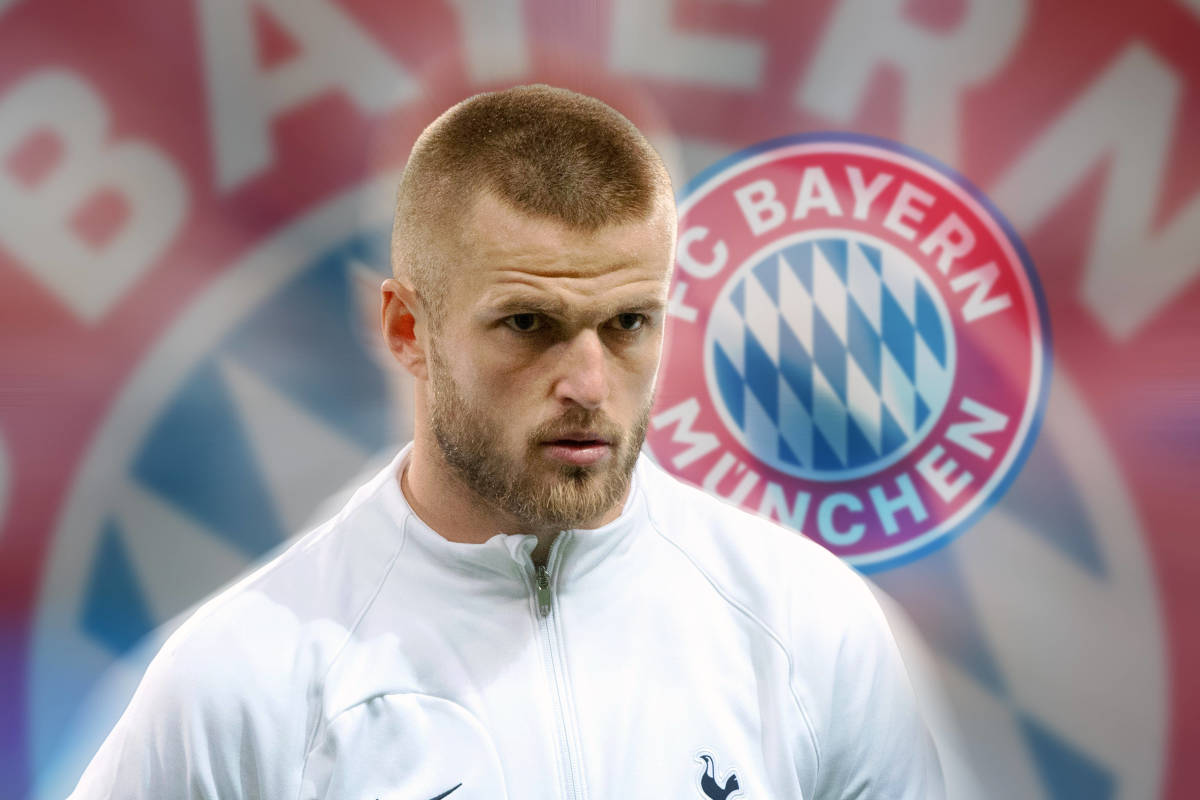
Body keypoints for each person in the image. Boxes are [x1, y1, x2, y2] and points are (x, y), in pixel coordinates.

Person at [69, 85, 943, 799]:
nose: (589, 384)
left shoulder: (809, 631)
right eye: (529, 324)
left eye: (629, 323)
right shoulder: (240, 681)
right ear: (408, 329)